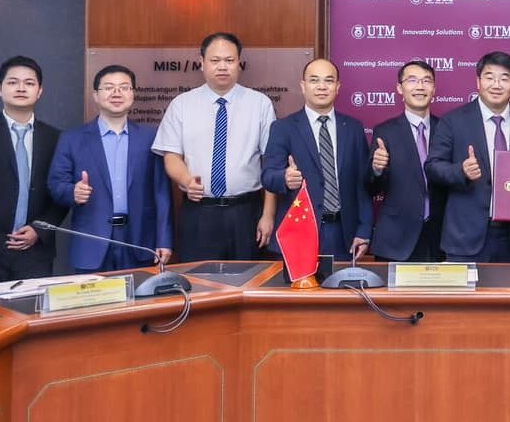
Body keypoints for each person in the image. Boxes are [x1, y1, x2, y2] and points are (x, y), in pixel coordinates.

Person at [152, 32, 277, 261]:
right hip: (199, 212)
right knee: (201, 285)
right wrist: (186, 180)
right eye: (215, 60)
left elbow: (271, 162)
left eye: (229, 61)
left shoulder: (259, 104)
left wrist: (268, 214)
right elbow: (171, 156)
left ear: (239, 63)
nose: (222, 67)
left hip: (246, 211)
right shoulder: (182, 104)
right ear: (201, 63)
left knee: (247, 284)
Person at [48, 65, 173, 272]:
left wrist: (164, 239)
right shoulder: (72, 139)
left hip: (139, 241)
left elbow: (161, 192)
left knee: (141, 302)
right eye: (108, 87)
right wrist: (73, 192)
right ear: (95, 95)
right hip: (92, 242)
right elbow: (55, 183)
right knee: (96, 304)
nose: (117, 93)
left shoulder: (150, 137)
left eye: (124, 87)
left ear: (133, 94)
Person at [425, 51, 510, 262]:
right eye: (489, 77)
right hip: (464, 239)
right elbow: (433, 167)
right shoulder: (453, 121)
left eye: (504, 78)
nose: (496, 84)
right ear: (478, 82)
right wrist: (461, 171)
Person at [262, 58, 372, 261]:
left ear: (338, 87)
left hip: (343, 235)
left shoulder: (354, 128)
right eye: (314, 80)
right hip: (297, 232)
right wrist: (284, 178)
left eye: (329, 81)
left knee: (340, 292)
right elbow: (267, 176)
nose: (322, 86)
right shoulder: (283, 128)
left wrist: (364, 230)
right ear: (303, 86)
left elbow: (362, 184)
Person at [0, 56, 68, 282]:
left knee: (31, 315)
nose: (21, 88)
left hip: (36, 252)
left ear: (40, 91)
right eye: (13, 82)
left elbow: (60, 194)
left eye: (29, 83)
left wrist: (39, 230)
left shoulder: (56, 138)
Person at [369, 60, 446, 262]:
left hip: (440, 239)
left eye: (426, 81)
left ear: (434, 88)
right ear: (399, 88)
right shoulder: (385, 131)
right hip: (397, 239)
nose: (420, 87)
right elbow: (372, 187)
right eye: (412, 80)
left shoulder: (447, 129)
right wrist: (377, 169)